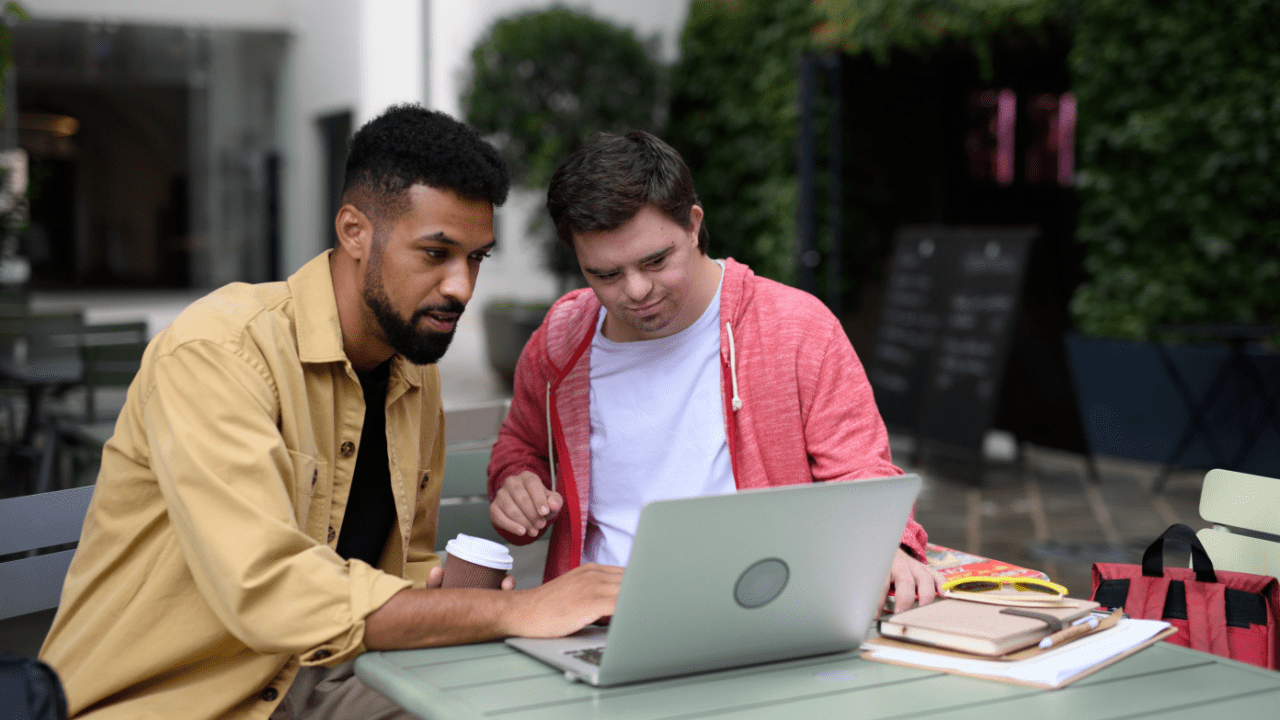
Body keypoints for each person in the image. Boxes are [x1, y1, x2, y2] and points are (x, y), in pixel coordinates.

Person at [38, 105, 621, 720]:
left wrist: (458, 592)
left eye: (476, 258)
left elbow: (401, 561)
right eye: (436, 253)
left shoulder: (414, 372)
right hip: (168, 701)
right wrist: (518, 609)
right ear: (354, 231)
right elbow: (269, 590)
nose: (462, 288)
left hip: (319, 680)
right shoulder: (220, 351)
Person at [487, 130, 941, 606]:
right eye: (606, 274)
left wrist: (885, 542)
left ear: (693, 224)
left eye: (656, 261)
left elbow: (859, 468)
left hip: (763, 609)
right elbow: (521, 447)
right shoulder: (561, 341)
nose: (637, 290)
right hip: (599, 620)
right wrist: (517, 484)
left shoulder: (795, 328)